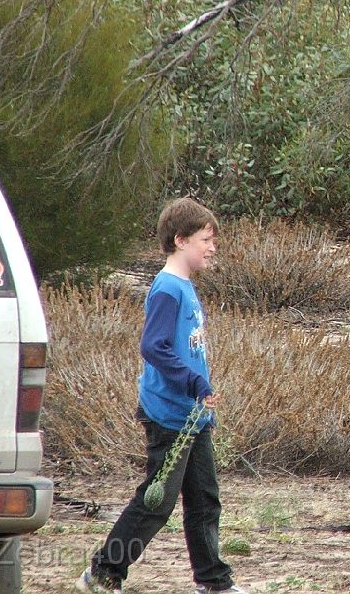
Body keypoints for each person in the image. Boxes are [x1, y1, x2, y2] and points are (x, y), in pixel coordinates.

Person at [76, 198, 246, 594]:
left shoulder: (183, 286)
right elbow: (154, 347)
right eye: (206, 239)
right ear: (180, 239)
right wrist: (194, 383)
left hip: (193, 417)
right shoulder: (168, 288)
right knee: (156, 502)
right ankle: (103, 573)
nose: (212, 246)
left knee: (204, 501)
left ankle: (214, 582)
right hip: (170, 415)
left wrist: (200, 395)